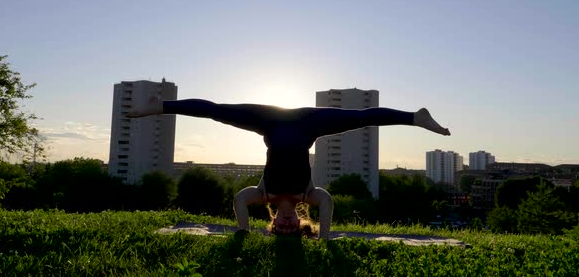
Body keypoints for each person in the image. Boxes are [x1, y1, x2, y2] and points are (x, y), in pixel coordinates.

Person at [127, 97, 450, 240]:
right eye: (290, 228)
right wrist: (324, 237)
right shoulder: (309, 195)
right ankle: (414, 117)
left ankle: (162, 106)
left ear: (272, 223)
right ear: (299, 222)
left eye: (278, 228)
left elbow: (239, 200)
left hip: (270, 120)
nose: (284, 224)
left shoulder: (261, 194)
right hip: (309, 123)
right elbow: (328, 202)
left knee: (217, 111)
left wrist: (243, 230)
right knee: (361, 117)